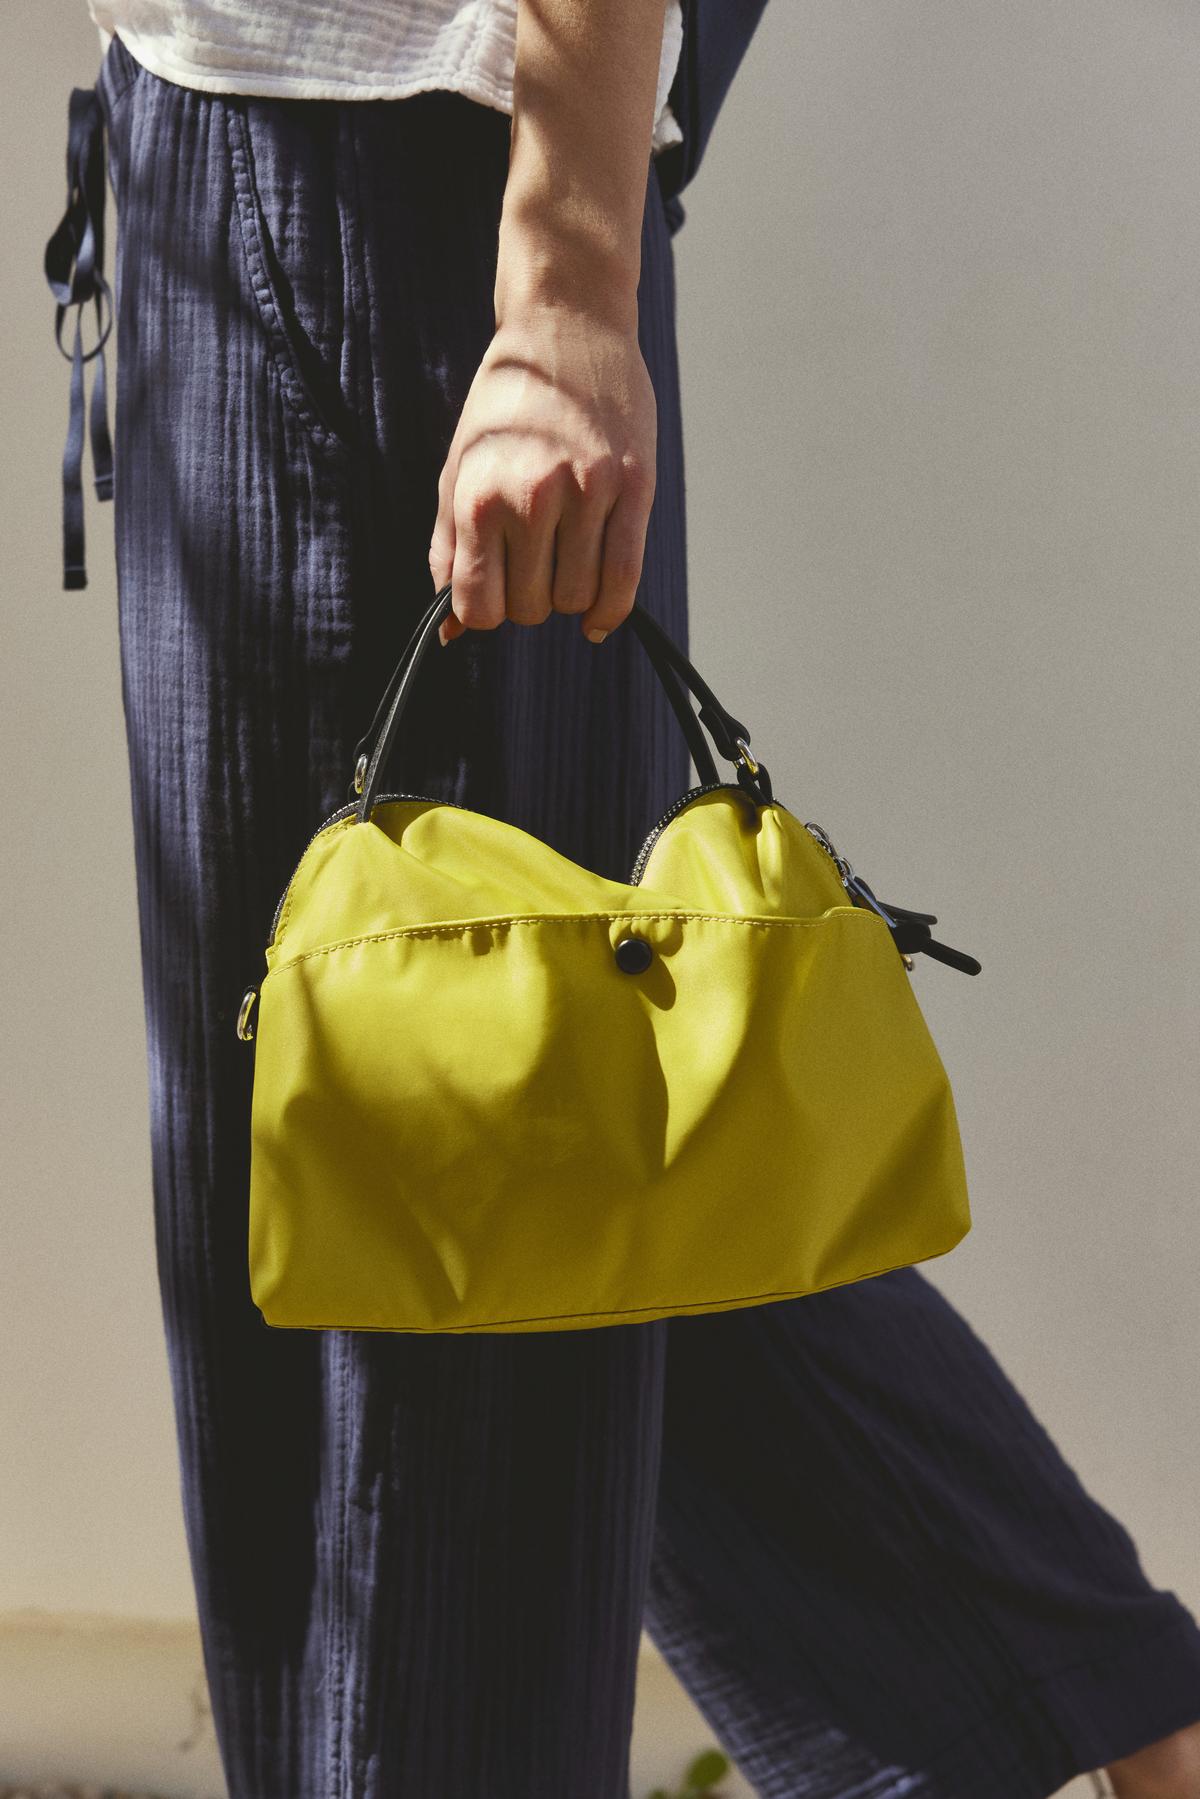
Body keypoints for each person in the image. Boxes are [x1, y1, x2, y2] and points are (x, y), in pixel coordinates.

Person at [45, 2, 1200, 1794]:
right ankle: (1101, 1706)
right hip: (257, 128)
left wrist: (564, 283)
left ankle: (1097, 1701)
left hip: (390, 156)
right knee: (549, 1150)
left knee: (429, 1257)